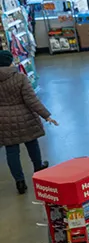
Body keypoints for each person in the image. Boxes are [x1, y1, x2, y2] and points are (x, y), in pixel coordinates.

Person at [0, 50, 57, 194]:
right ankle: (38, 169)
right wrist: (46, 116)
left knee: (11, 151)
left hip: (4, 120)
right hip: (25, 116)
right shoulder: (20, 78)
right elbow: (31, 100)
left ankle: (20, 182)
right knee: (32, 143)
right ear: (10, 62)